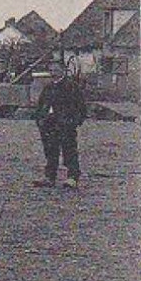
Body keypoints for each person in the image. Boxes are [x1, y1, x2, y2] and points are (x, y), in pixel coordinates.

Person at [33, 60, 87, 189]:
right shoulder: (48, 87)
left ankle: (72, 177)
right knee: (50, 151)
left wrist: (74, 122)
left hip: (65, 124)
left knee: (69, 150)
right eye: (51, 70)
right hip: (49, 124)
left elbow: (81, 107)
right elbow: (41, 105)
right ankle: (50, 177)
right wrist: (40, 120)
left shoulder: (71, 86)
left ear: (63, 71)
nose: (53, 73)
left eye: (56, 70)